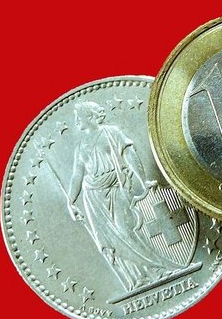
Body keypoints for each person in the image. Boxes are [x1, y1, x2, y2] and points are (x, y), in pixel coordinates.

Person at [67, 101, 182, 292]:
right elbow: (77, 175)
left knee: (126, 230)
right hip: (93, 196)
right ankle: (138, 278)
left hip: (116, 187)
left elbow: (130, 156)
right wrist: (70, 202)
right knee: (110, 239)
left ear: (90, 116)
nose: (76, 121)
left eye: (79, 117)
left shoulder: (111, 132)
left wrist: (143, 181)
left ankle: (158, 269)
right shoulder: (80, 146)